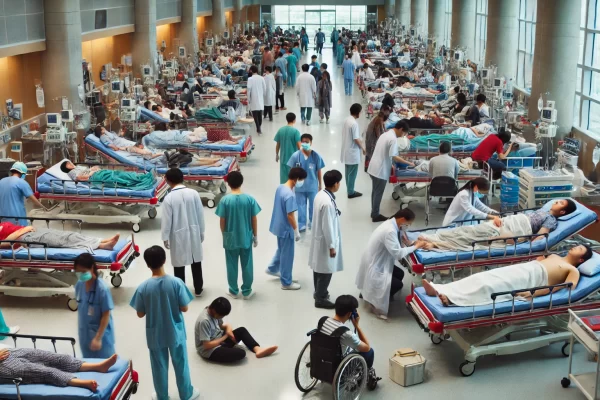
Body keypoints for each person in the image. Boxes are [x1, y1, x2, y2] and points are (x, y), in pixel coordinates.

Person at [130, 246, 199, 400]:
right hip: (175, 332)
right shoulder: (176, 283)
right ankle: (186, 394)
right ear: (164, 260)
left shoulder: (143, 287)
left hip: (155, 334)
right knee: (181, 364)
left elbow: (140, 313)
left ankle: (162, 396)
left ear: (147, 264)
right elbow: (185, 307)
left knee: (159, 367)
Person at [422, 245, 593, 306]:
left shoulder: (573, 270)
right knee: (483, 277)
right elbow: (538, 260)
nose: (575, 247)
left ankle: (452, 299)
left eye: (579, 249)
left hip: (532, 279)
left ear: (581, 258)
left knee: (490, 286)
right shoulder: (555, 256)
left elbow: (564, 288)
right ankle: (440, 288)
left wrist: (535, 292)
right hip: (526, 268)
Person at [419, 199, 578, 251]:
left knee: (469, 234)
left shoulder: (551, 219)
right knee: (468, 230)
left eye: (560, 203)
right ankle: (434, 238)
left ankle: (433, 240)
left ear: (562, 212)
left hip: (511, 229)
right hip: (506, 223)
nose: (556, 202)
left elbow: (539, 238)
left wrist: (519, 241)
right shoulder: (542, 211)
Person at [356, 209, 427, 319]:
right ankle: (374, 302)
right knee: (398, 284)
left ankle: (368, 293)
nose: (408, 226)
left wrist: (409, 243)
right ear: (402, 219)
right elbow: (398, 253)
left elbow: (398, 241)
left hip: (374, 259)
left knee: (399, 274)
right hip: (375, 265)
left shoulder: (392, 223)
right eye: (408, 223)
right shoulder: (390, 230)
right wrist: (416, 246)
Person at [215, 171, 261, 299]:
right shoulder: (249, 199)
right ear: (241, 182)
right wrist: (255, 236)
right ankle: (247, 291)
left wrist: (224, 234)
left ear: (228, 184)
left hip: (230, 237)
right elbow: (254, 219)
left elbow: (222, 220)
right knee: (247, 263)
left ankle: (233, 290)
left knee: (231, 263)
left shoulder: (225, 200)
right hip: (246, 236)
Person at [161, 168, 205, 297]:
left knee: (179, 264)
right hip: (194, 230)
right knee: (196, 260)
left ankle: (181, 292)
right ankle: (198, 289)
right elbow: (200, 214)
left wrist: (165, 237)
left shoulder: (169, 198)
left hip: (177, 233)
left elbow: (167, 220)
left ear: (168, 181)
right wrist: (201, 231)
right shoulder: (194, 193)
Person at [195, 297, 278, 363]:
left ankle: (258, 350)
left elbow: (222, 326)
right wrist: (225, 337)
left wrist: (228, 330)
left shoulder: (213, 311)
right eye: (221, 316)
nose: (222, 318)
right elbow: (206, 345)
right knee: (241, 353)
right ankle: (226, 348)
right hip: (209, 350)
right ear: (214, 311)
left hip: (218, 338)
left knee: (242, 330)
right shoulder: (204, 321)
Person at [318, 295, 378, 381]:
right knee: (370, 352)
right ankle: (366, 375)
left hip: (321, 362)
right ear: (350, 314)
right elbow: (367, 348)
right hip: (336, 369)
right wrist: (357, 326)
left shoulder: (323, 320)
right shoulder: (346, 333)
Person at [266, 167, 307, 291]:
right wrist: (296, 231)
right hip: (286, 229)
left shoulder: (281, 188)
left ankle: (273, 268)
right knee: (287, 255)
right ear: (296, 179)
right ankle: (286, 282)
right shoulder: (289, 195)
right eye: (301, 180)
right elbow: (290, 215)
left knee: (282, 249)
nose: (302, 182)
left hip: (278, 225)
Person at [0, 349, 117, 391]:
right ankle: (80, 383)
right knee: (41, 371)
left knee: (49, 356)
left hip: (7, 352)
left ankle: (98, 366)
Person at [309, 170, 344, 309]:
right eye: (339, 182)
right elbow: (327, 226)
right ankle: (320, 298)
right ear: (335, 184)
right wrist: (332, 246)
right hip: (325, 241)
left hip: (319, 238)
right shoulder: (328, 203)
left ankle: (318, 292)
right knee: (326, 269)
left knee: (318, 267)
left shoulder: (321, 194)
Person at [367, 120, 413, 222]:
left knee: (375, 191)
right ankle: (375, 215)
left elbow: (386, 153)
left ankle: (373, 212)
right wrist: (409, 163)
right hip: (380, 169)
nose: (403, 135)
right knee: (378, 192)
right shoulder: (393, 139)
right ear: (401, 129)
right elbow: (395, 156)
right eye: (404, 133)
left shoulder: (385, 134)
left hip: (373, 166)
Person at [74, 253, 115, 359]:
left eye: (83, 271)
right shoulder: (79, 285)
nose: (80, 275)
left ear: (92, 268)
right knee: (89, 366)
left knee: (105, 366)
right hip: (85, 335)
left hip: (101, 336)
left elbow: (106, 315)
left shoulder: (102, 289)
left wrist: (98, 338)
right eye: (78, 272)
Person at [286, 134, 325, 232]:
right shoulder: (296, 156)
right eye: (303, 141)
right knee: (300, 205)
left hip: (312, 186)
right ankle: (301, 223)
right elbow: (292, 172)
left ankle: (313, 222)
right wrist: (291, 185)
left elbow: (319, 171)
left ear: (311, 142)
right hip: (299, 187)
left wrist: (320, 184)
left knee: (313, 205)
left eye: (307, 142)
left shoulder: (316, 156)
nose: (305, 143)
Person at [0, 220, 119, 250]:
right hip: (26, 238)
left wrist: (26, 229)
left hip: (32, 232)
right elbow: (4, 243)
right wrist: (23, 230)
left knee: (68, 234)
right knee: (63, 240)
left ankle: (102, 241)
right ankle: (101, 245)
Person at [341, 104, 366, 199]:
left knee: (348, 172)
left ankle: (349, 189)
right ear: (358, 112)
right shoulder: (354, 123)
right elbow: (356, 139)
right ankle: (351, 192)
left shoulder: (347, 120)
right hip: (352, 152)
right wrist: (363, 148)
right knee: (352, 173)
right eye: (361, 111)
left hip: (347, 150)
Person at [274, 113, 302, 184]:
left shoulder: (281, 130)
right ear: (294, 120)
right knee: (293, 178)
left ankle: (284, 191)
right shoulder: (295, 132)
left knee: (284, 178)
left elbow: (278, 144)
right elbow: (299, 146)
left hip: (283, 158)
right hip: (293, 159)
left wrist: (277, 154)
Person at [247, 65, 266, 134]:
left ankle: (258, 127)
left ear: (251, 71)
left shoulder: (250, 79)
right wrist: (263, 95)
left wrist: (248, 98)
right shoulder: (261, 78)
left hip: (253, 98)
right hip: (260, 98)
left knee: (255, 114)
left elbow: (249, 90)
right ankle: (259, 127)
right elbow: (264, 88)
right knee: (260, 113)